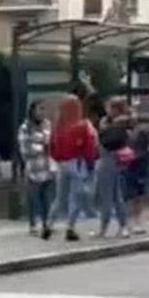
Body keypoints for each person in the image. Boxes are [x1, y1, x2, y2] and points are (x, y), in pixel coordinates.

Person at [48, 94, 98, 241]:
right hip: (78, 162)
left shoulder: (57, 126)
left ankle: (49, 225)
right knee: (75, 197)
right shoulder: (83, 125)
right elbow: (90, 146)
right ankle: (70, 228)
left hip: (62, 164)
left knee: (59, 197)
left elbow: (52, 147)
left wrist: (58, 159)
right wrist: (90, 164)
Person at [93, 98, 132, 238]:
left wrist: (102, 131)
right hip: (115, 161)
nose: (107, 111)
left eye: (109, 108)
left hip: (108, 160)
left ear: (116, 110)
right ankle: (123, 226)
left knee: (106, 196)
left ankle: (104, 228)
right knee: (117, 196)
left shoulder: (116, 125)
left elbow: (107, 142)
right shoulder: (124, 123)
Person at [17, 100, 54, 237]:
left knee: (47, 198)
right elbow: (25, 147)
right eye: (40, 109)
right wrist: (41, 147)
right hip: (33, 168)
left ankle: (46, 223)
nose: (43, 112)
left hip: (47, 166)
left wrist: (47, 146)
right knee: (34, 198)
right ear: (33, 111)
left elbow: (51, 141)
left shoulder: (47, 125)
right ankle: (33, 224)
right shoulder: (25, 127)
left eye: (44, 109)